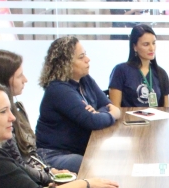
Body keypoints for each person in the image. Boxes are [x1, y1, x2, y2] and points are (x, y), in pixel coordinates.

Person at [35, 36, 122, 172]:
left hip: (79, 149)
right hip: (54, 154)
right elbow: (93, 121)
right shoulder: (58, 90)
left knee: (113, 156)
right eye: (81, 57)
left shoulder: (84, 79)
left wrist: (98, 113)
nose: (88, 59)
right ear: (66, 63)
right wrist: (112, 114)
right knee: (90, 165)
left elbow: (106, 104)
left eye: (85, 54)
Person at [0, 49, 62, 186]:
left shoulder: (17, 108)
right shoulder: (0, 122)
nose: (25, 80)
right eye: (19, 76)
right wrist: (50, 177)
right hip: (27, 183)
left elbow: (31, 154)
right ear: (4, 79)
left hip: (38, 173)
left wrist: (51, 171)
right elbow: (20, 166)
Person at [109, 24, 169, 108]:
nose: (152, 48)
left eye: (153, 43)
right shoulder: (121, 70)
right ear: (134, 46)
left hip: (155, 116)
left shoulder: (161, 73)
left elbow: (166, 109)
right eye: (146, 44)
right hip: (127, 116)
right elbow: (115, 108)